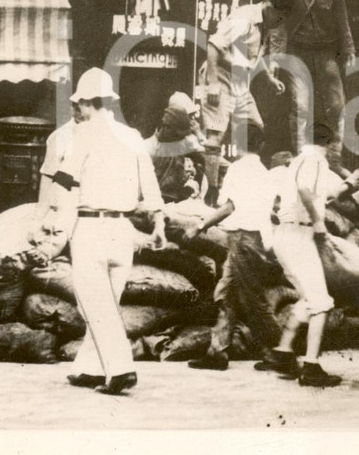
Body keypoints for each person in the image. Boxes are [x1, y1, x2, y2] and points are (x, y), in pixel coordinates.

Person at [53, 68, 167, 395]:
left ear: (90, 103)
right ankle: (89, 367)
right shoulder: (132, 136)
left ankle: (120, 370)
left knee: (94, 305)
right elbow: (151, 186)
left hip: (90, 227)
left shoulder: (84, 134)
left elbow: (64, 180)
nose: (77, 112)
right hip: (123, 231)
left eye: (80, 106)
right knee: (105, 305)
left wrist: (55, 223)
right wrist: (159, 224)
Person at [187, 124, 285, 371]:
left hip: (242, 238)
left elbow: (229, 207)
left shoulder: (236, 170)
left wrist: (200, 226)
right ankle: (217, 352)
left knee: (254, 300)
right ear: (261, 146)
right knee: (226, 294)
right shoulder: (264, 172)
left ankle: (283, 354)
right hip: (254, 239)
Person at [255, 122, 342, 387]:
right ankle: (312, 366)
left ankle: (283, 352)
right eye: (336, 145)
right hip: (299, 236)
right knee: (322, 302)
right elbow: (305, 190)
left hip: (286, 235)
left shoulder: (297, 161)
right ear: (330, 143)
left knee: (307, 297)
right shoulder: (316, 160)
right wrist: (318, 221)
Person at [270, 0, 355, 173]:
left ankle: (335, 157)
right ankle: (300, 157)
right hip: (298, 53)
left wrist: (349, 50)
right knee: (300, 104)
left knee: (337, 104)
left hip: (325, 53)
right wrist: (276, 59)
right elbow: (278, 29)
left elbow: (342, 21)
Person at [201, 0, 292, 203]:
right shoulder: (245, 17)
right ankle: (211, 193)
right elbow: (214, 45)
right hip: (220, 76)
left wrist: (269, 78)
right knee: (215, 134)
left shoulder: (265, 25)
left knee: (255, 130)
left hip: (240, 81)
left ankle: (239, 189)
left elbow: (253, 58)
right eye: (277, 17)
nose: (278, 22)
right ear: (268, 5)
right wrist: (212, 82)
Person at [144, 92, 205, 203]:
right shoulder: (147, 147)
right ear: (168, 128)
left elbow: (208, 157)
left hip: (179, 202)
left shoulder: (183, 142)